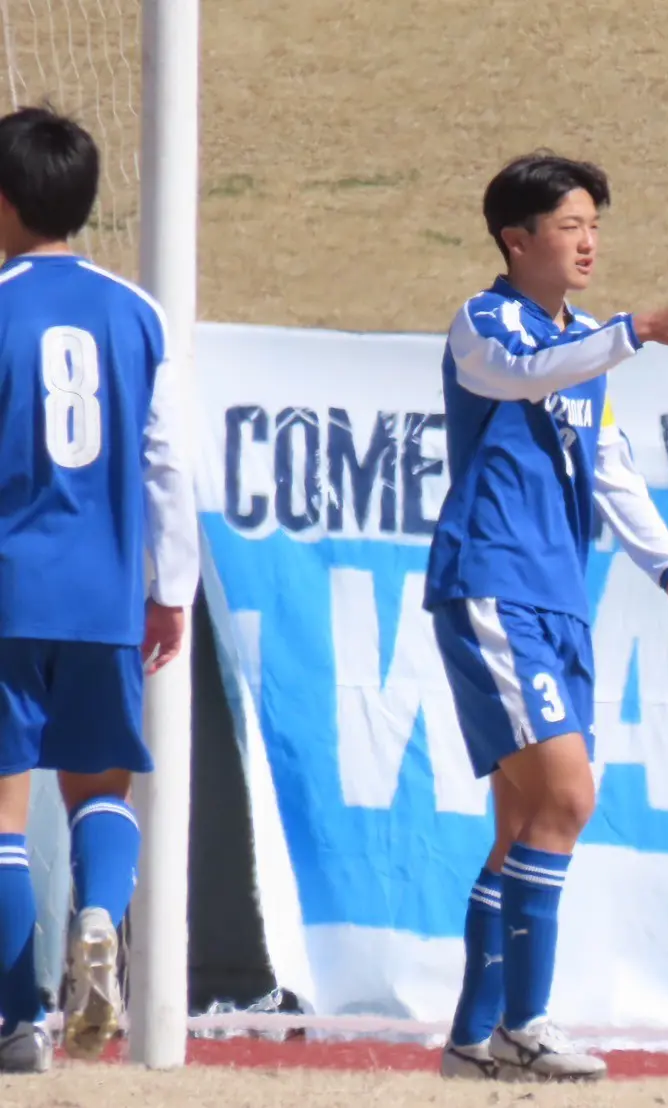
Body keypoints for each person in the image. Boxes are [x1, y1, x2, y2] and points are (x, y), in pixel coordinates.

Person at [426, 152, 668, 1083]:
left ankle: (472, 1043)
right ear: (515, 241)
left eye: (594, 222)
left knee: (525, 823)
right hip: (493, 585)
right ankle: (525, 1022)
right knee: (567, 798)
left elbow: (608, 466)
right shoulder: (486, 323)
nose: (589, 239)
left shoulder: (585, 347)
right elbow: (522, 374)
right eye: (569, 224)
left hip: (559, 598)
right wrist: (629, 334)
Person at [0, 106, 198, 1074]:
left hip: (8, 593)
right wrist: (173, 589)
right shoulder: (138, 312)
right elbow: (167, 463)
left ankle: (16, 1023)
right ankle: (95, 913)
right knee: (98, 789)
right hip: (107, 596)